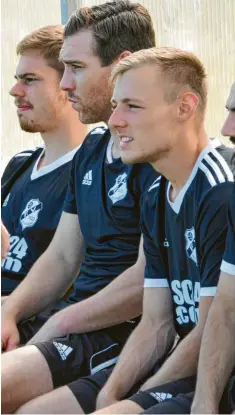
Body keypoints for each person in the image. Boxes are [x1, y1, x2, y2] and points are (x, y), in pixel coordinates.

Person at [1, 1, 157, 413]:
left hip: (114, 332)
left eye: (77, 68)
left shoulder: (158, 155)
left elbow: (147, 282)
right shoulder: (92, 148)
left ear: (122, 65)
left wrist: (58, 324)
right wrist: (10, 311)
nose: (66, 83)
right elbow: (64, 255)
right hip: (71, 326)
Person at [88, 46, 235, 414]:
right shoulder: (155, 192)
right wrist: (110, 394)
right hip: (181, 368)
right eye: (115, 105)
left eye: (132, 107)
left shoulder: (218, 190)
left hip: (222, 379)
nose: (114, 120)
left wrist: (138, 400)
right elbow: (156, 322)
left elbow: (210, 330)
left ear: (184, 107)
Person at [1, 25, 87, 297]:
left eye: (29, 79)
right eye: (17, 79)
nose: (15, 90)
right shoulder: (20, 165)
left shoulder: (94, 171)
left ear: (66, 86)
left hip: (32, 328)